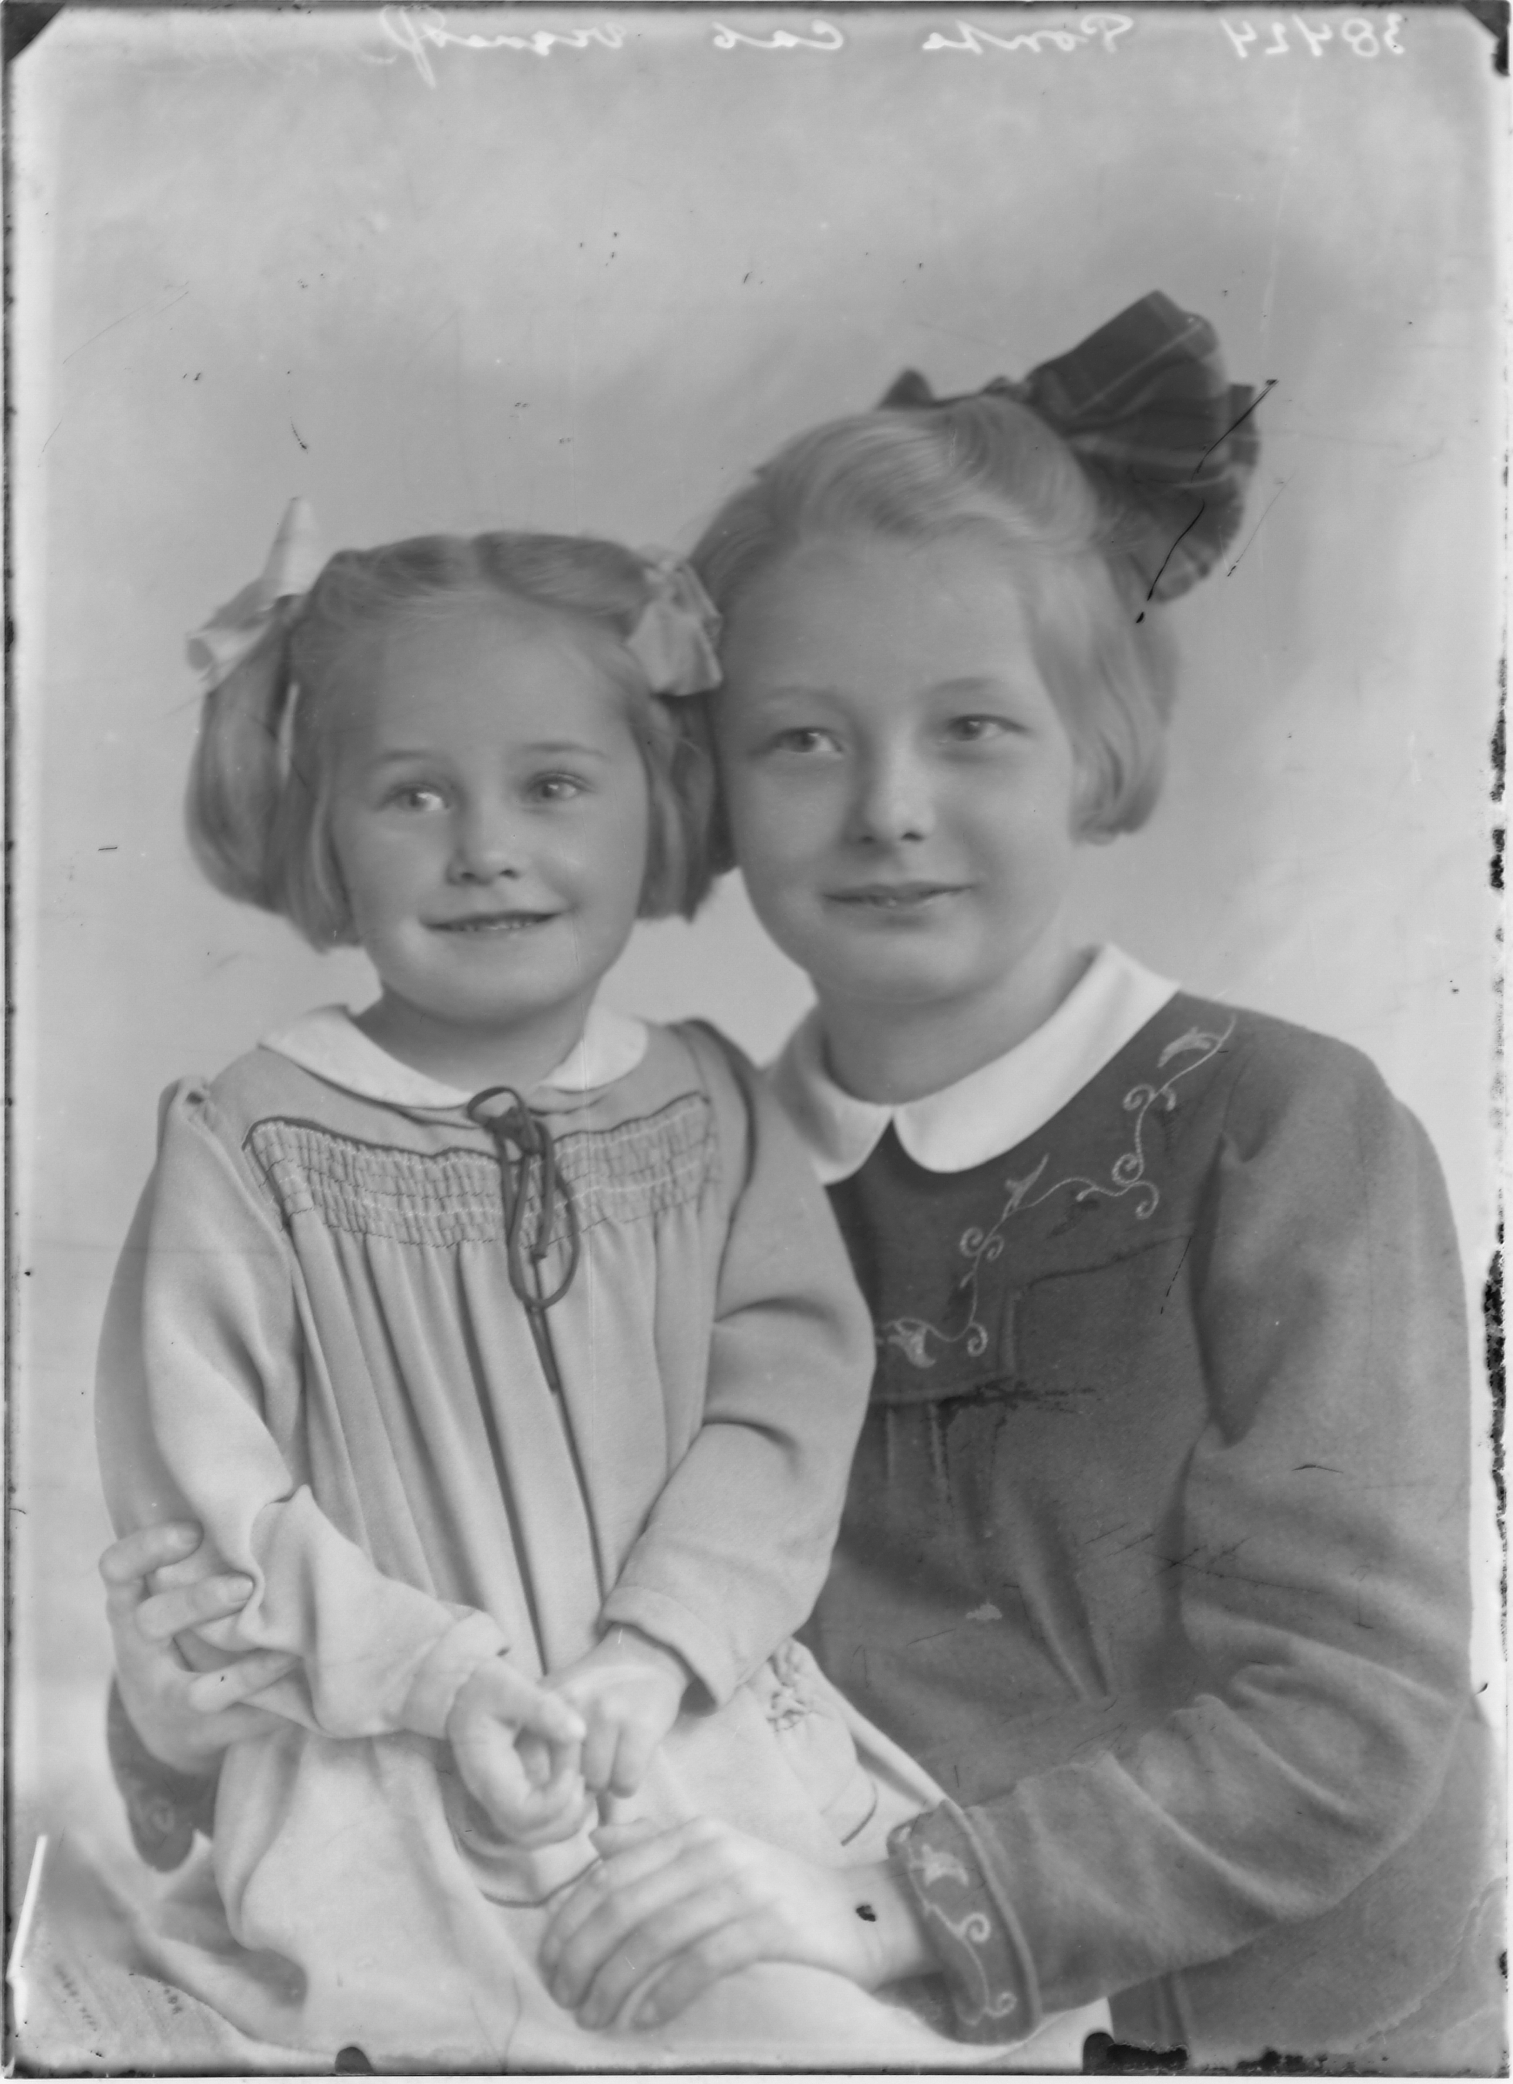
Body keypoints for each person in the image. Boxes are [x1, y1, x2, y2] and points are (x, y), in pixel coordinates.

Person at [101, 293, 1503, 2067]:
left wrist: (881, 1907)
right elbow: (448, 1567)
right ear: (703, 787)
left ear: (1095, 745)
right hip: (784, 1977)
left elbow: (1356, 1702)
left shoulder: (1279, 1128)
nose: (886, 807)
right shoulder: (667, 1182)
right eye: (803, 741)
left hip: (1280, 2029)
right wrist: (173, 1720)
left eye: (972, 728)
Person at [88, 512, 1098, 2069]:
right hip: (399, 1781)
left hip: (686, 1731)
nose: (485, 847)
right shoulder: (249, 1141)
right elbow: (209, 1495)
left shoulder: (710, 1107)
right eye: (413, 793)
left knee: (824, 2021)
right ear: (322, 830)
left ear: (659, 801)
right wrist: (443, 1679)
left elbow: (782, 1416)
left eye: (553, 785)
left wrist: (655, 1650)